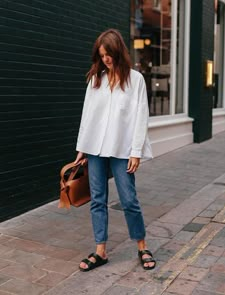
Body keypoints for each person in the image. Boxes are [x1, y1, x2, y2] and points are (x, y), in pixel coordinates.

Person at [74, 29, 156, 272]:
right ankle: (101, 251)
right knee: (97, 200)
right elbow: (87, 115)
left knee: (129, 199)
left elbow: (142, 116)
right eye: (102, 55)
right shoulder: (95, 79)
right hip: (95, 148)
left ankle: (142, 245)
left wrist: (136, 151)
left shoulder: (135, 80)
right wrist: (81, 147)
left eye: (109, 54)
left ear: (118, 51)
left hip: (122, 149)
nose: (106, 59)